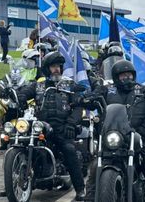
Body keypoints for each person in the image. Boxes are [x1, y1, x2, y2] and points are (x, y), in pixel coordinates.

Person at [85, 60, 145, 202]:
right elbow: (94, 96)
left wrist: (144, 129)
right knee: (94, 168)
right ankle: (89, 199)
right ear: (116, 77)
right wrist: (87, 98)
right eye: (123, 76)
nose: (127, 78)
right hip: (112, 137)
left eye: (129, 75)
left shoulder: (144, 90)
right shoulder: (107, 90)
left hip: (138, 136)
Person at [17, 51, 86, 201]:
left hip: (62, 127)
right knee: (18, 143)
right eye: (53, 67)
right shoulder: (38, 85)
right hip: (41, 127)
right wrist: (21, 96)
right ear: (47, 69)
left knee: (69, 151)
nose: (57, 70)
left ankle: (80, 189)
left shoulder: (69, 84)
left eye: (59, 67)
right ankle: (13, 182)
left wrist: (71, 124)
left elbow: (78, 107)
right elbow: (25, 92)